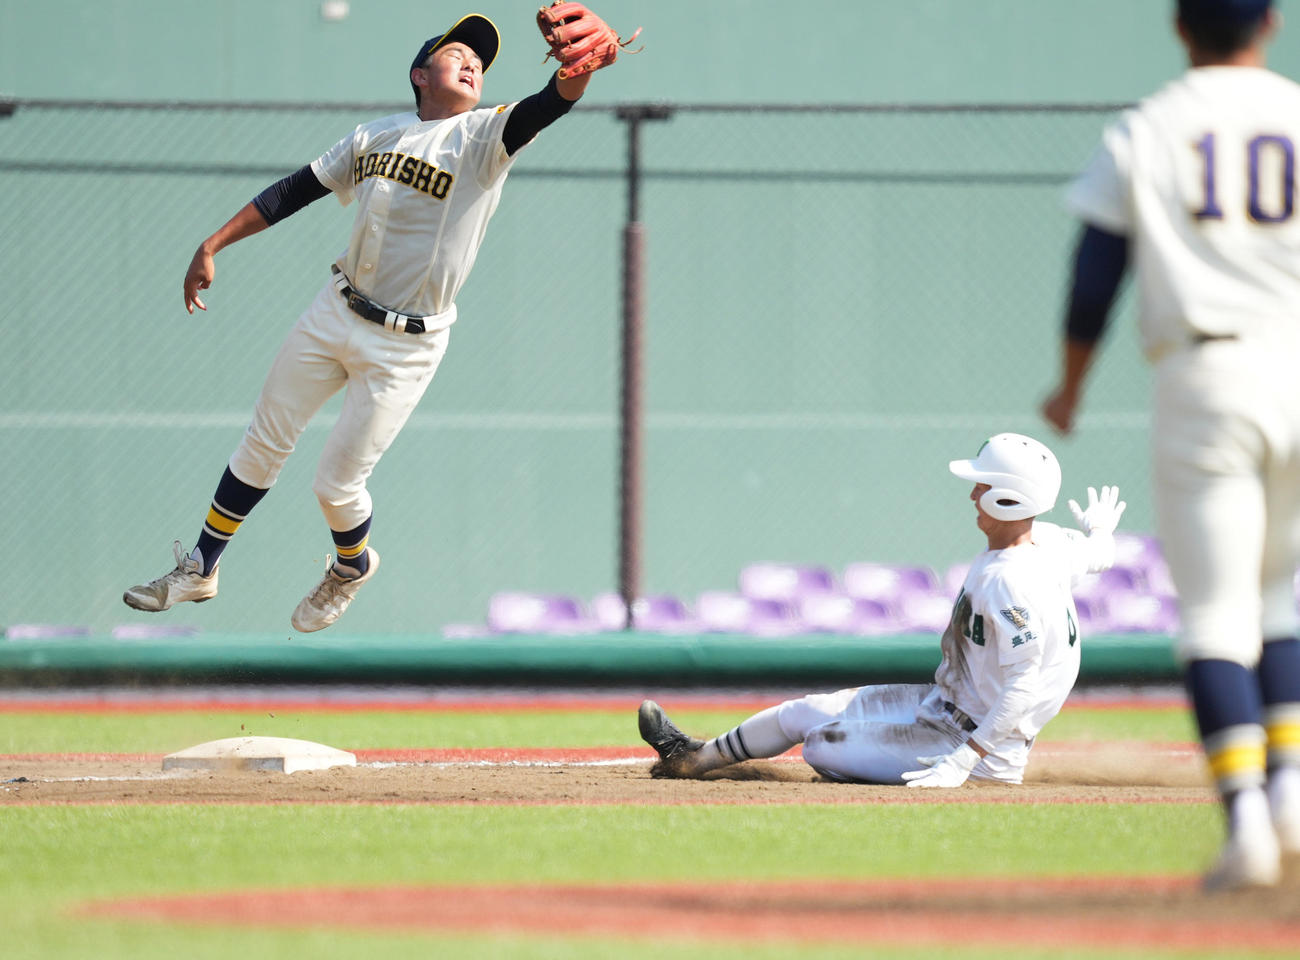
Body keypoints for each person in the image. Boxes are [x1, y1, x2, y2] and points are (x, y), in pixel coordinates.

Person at [122, 11, 615, 632]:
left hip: (407, 346)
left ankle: (351, 567)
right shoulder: (374, 136)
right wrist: (212, 243)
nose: (473, 63)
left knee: (335, 487)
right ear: (420, 74)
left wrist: (578, 74)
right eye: (458, 52)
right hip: (335, 309)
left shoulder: (483, 137)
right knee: (263, 440)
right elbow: (293, 191)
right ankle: (201, 566)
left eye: (480, 62)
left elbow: (549, 104)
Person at [1040, 0, 1300, 890]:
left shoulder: (1149, 127)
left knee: (1218, 613)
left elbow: (1095, 274)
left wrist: (1070, 385)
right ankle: (1293, 796)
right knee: (1285, 599)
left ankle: (1248, 826)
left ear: (1181, 27)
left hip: (1209, 374)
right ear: (1270, 23)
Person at [640, 433, 1125, 790]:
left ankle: (908, 773)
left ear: (1009, 495)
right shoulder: (1050, 542)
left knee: (821, 743)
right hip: (945, 706)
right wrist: (1100, 531)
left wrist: (964, 760)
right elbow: (1097, 554)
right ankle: (692, 759)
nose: (973, 495)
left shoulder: (1009, 580)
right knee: (802, 712)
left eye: (982, 485)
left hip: (973, 746)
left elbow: (1023, 686)